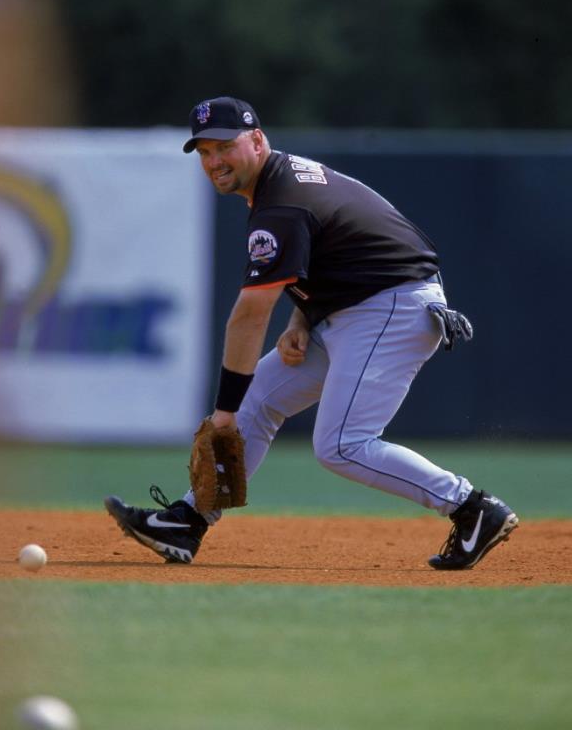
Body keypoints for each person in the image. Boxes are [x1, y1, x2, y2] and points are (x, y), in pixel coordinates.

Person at [105, 96, 519, 570]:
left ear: (257, 140)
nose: (214, 161)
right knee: (257, 400)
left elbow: (248, 315)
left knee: (342, 444)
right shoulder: (282, 182)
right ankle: (187, 522)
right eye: (204, 152)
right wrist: (302, 318)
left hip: (389, 309)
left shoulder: (279, 204)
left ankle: (472, 508)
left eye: (224, 146)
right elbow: (338, 249)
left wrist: (221, 414)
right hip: (356, 309)